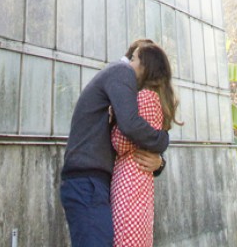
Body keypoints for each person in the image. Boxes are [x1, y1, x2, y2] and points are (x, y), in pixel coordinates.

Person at [60, 39, 169, 247]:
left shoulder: (118, 79)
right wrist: (162, 140)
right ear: (141, 61)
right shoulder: (122, 71)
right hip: (86, 181)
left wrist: (160, 162)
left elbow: (130, 142)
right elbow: (130, 126)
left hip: (92, 182)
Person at [110, 43, 178, 247]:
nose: (129, 63)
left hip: (129, 178)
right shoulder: (156, 98)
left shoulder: (143, 98)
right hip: (140, 178)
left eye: (134, 59)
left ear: (145, 67)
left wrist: (114, 118)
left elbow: (121, 143)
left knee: (124, 237)